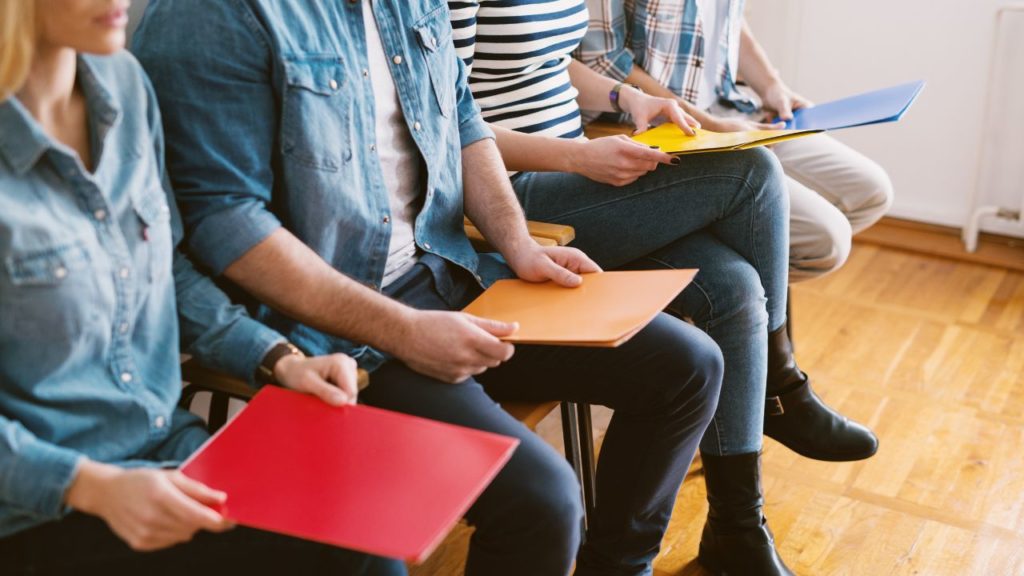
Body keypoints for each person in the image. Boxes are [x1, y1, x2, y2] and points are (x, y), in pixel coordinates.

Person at [132, 1, 724, 575]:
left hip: (449, 273)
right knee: (543, 502)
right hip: (339, 335)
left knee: (689, 366)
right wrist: (404, 330)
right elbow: (223, 220)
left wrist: (517, 244)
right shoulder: (211, 13)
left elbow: (461, 117)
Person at [446, 1, 878, 574]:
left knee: (737, 287)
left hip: (575, 170)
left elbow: (546, 61)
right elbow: (446, 122)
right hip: (512, 192)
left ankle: (737, 527)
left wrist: (626, 98)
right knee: (752, 172)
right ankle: (783, 388)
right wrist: (578, 156)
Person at [0, 1, 404, 574]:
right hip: (39, 510)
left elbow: (167, 270)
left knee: (362, 528)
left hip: (167, 453)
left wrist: (277, 358)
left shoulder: (124, 84)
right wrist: (89, 487)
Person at [578, 0, 895, 282]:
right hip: (655, 129)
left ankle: (735, 291)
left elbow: (731, 20)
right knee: (824, 241)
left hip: (729, 109)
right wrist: (708, 124)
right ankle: (725, 302)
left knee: (870, 191)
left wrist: (771, 86)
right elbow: (603, 60)